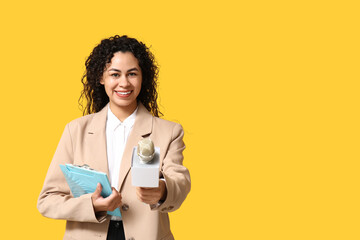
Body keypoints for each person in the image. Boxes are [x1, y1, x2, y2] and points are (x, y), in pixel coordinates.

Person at [37, 35, 191, 240]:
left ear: (142, 77)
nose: (124, 83)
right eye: (115, 74)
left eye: (132, 74)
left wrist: (162, 190)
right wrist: (91, 205)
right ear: (101, 78)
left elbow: (180, 182)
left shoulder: (169, 131)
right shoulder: (76, 130)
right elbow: (47, 200)